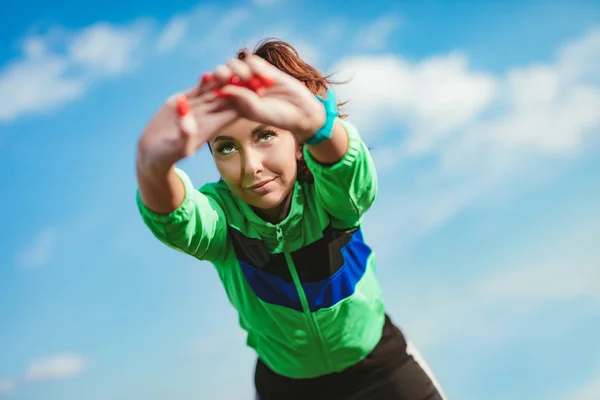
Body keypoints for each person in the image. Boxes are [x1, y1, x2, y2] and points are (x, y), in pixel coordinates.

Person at [135, 39, 446, 400]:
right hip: (288, 387)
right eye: (226, 147)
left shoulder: (331, 198)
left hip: (379, 367)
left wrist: (320, 126)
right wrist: (152, 167)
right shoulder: (222, 220)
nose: (251, 166)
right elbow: (179, 219)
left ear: (297, 140)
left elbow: (349, 172)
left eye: (264, 135)